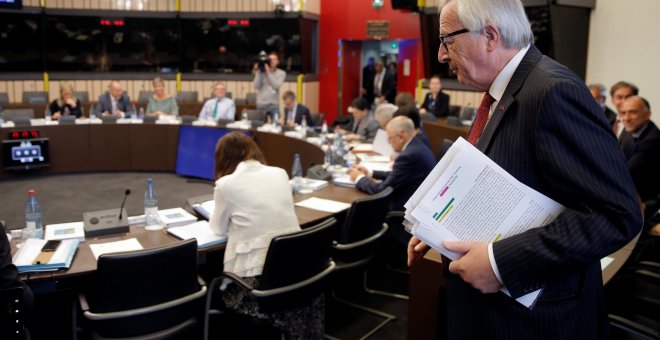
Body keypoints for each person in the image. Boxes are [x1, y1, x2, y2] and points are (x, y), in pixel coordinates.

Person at [407, 1, 641, 338]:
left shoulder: (552, 91)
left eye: (447, 41)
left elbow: (617, 214)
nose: (442, 55)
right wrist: (441, 225)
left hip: (538, 323)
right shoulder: (503, 91)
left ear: (489, 35)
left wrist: (500, 263)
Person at [208, 132, 323, 338]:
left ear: (224, 158)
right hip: (299, 271)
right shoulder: (279, 173)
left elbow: (217, 227)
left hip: (260, 288)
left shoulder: (226, 184)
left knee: (211, 279)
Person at [349, 116, 435, 211]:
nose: (389, 143)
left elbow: (383, 191)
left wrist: (359, 178)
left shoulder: (408, 156)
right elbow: (397, 175)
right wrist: (369, 172)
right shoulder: (417, 146)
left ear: (400, 136)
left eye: (390, 138)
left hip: (404, 210)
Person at [618, 96, 660, 204]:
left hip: (645, 203)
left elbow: (626, 173)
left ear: (647, 115)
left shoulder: (653, 139)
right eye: (623, 113)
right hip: (626, 193)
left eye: (633, 112)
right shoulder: (629, 130)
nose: (626, 118)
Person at [253, 52, 286, 121]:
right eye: (270, 59)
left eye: (274, 59)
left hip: (274, 105)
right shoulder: (261, 71)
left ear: (278, 62)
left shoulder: (281, 73)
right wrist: (258, 71)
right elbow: (256, 85)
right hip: (261, 105)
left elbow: (276, 85)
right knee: (259, 129)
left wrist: (268, 72)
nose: (272, 61)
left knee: (277, 128)